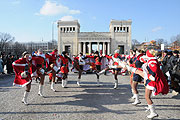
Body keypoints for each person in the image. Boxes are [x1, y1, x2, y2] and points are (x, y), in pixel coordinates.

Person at [124, 49, 169, 119]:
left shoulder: (152, 62)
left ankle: (153, 112)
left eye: (147, 54)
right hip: (149, 80)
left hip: (152, 82)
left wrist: (145, 76)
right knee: (147, 96)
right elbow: (142, 59)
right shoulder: (151, 60)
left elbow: (153, 76)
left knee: (147, 97)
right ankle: (150, 108)